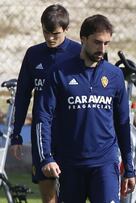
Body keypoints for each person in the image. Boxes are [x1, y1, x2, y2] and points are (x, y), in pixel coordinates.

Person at [35, 14, 136, 202]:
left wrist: (129, 168)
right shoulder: (59, 73)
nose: (102, 49)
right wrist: (46, 157)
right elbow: (43, 117)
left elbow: (123, 123)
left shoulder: (114, 75)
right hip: (71, 163)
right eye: (97, 42)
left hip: (105, 163)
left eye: (107, 43)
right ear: (83, 39)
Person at [9, 4, 81, 203]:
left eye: (55, 34)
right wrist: (16, 135)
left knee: (72, 193)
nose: (50, 38)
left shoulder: (79, 53)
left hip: (72, 133)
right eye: (46, 32)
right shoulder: (33, 54)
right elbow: (23, 95)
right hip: (43, 133)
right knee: (48, 195)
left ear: (66, 30)